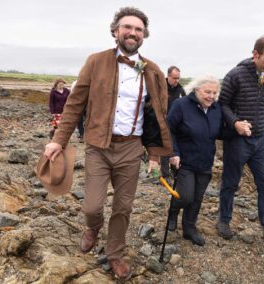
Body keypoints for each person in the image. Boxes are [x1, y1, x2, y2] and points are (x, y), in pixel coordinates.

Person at [42, 7, 172, 281]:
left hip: (131, 148)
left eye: (138, 29)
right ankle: (93, 226)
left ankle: (115, 253)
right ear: (116, 31)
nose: (132, 33)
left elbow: (157, 115)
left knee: (123, 207)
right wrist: (58, 141)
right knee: (91, 206)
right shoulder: (95, 62)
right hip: (98, 147)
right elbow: (74, 104)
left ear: (144, 35)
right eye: (127, 27)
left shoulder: (154, 71)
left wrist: (155, 155)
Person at [217, 34, 264, 247]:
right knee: (230, 182)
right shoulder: (235, 75)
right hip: (238, 140)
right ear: (255, 54)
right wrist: (235, 123)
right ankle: (224, 221)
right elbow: (222, 105)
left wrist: (263, 129)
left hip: (260, 141)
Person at [167, 75, 222, 246]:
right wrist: (173, 152)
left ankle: (189, 229)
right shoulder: (181, 105)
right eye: (207, 92)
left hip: (205, 162)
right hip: (184, 161)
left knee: (197, 198)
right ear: (196, 90)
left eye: (214, 92)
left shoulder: (216, 109)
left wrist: (238, 129)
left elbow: (220, 132)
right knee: (185, 196)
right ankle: (173, 211)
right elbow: (169, 130)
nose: (211, 96)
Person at [160, 66, 186, 180]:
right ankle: (165, 175)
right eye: (174, 78)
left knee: (175, 147)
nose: (176, 80)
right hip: (162, 122)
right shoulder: (160, 87)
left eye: (178, 78)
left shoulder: (181, 90)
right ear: (168, 76)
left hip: (176, 123)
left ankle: (176, 173)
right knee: (165, 147)